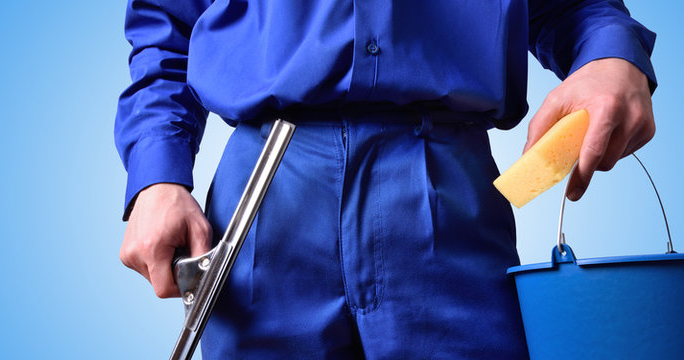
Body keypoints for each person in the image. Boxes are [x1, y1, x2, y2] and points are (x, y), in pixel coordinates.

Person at [114, 1, 656, 358]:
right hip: (264, 188)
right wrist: (156, 175)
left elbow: (574, 7)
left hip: (445, 184)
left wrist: (612, 55)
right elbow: (168, 24)